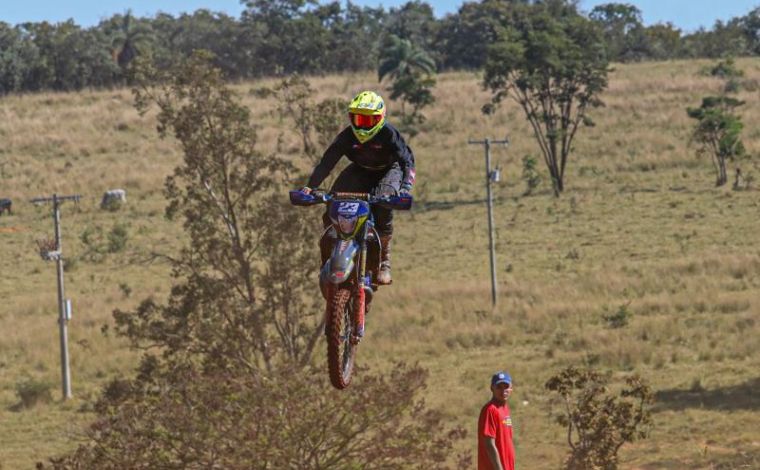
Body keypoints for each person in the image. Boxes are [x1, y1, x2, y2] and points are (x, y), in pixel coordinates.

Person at [301, 90, 415, 285]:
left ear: (380, 119)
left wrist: (405, 188)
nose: (363, 125)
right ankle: (329, 258)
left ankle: (384, 261)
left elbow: (407, 161)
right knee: (332, 205)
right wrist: (310, 188)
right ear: (351, 118)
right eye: (359, 119)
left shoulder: (389, 134)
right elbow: (326, 163)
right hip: (360, 169)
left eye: (369, 120)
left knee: (383, 203)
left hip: (389, 170)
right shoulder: (346, 136)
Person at [478, 371, 516, 470]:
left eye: (506, 386)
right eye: (499, 387)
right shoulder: (490, 410)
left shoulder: (504, 409)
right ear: (492, 388)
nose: (503, 390)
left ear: (511, 388)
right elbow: (489, 444)